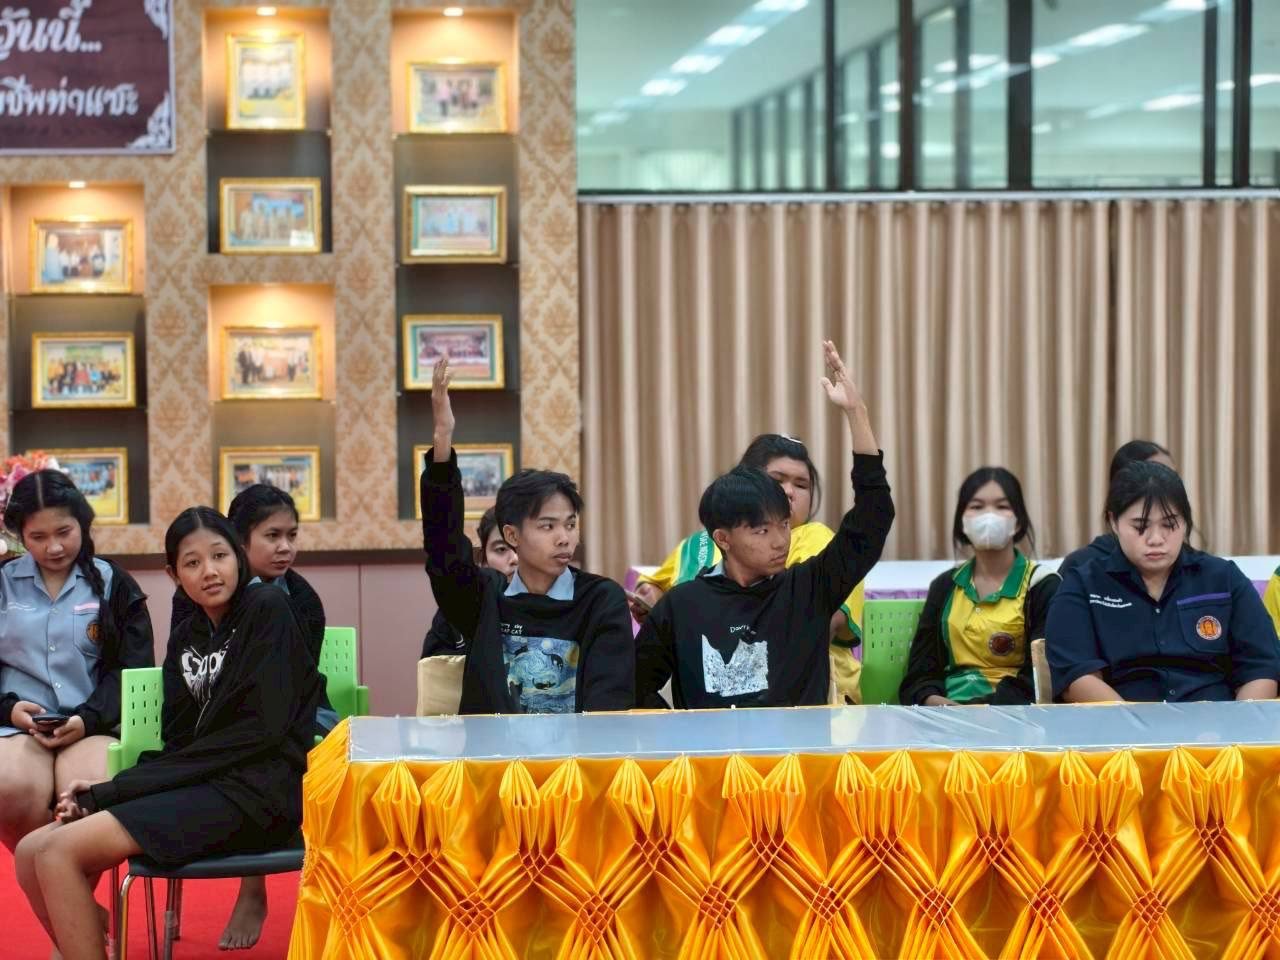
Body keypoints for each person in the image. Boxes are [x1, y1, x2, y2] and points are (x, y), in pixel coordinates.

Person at [15, 507, 323, 960]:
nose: (209, 571)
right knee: (29, 852)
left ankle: (84, 930)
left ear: (238, 558)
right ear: (173, 575)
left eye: (219, 556)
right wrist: (115, 788)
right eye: (192, 563)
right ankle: (83, 924)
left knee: (57, 854)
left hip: (260, 792)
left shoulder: (267, 608)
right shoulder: (189, 633)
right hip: (207, 783)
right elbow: (180, 743)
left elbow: (255, 735)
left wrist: (111, 792)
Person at [635, 341, 893, 709]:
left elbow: (873, 519)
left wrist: (857, 413)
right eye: (762, 530)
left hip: (799, 747)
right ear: (723, 538)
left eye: (784, 525)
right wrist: (676, 730)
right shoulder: (682, 606)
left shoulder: (808, 589)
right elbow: (632, 686)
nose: (780, 542)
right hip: (710, 748)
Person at [169, 484, 332, 950]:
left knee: (261, 754)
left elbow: (292, 688)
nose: (285, 548)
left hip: (298, 712)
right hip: (217, 711)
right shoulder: (197, 592)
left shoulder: (301, 598)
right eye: (272, 536)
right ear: (239, 543)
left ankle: (254, 886)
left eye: (291, 535)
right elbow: (188, 669)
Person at [423, 356, 633, 714]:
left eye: (570, 524)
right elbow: (444, 551)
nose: (564, 538)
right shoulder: (486, 599)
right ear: (512, 535)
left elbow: (609, 705)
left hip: (576, 751)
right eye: (547, 526)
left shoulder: (599, 600)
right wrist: (443, 442)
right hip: (492, 751)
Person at [631, 434, 868, 704]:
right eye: (778, 480)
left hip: (804, 694)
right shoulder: (700, 544)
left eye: (801, 484)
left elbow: (813, 625)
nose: (789, 492)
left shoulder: (820, 541)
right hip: (710, 698)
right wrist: (654, 602)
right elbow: (658, 592)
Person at [0, 471, 153, 858]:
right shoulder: (3, 582)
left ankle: (67, 887)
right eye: (38, 537)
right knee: (9, 786)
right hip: (14, 726)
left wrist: (87, 719)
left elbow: (132, 670)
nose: (54, 547)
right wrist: (9, 710)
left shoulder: (115, 583)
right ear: (19, 535)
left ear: (82, 524)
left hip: (93, 725)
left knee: (92, 790)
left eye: (64, 532)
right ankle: (53, 887)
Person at [1046, 461, 1280, 703]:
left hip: (1215, 721)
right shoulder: (1083, 585)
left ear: (1186, 522)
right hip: (1119, 720)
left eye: (1169, 525)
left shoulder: (1224, 579)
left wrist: (1241, 722)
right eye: (1140, 526)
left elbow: (1262, 666)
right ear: (1113, 522)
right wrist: (1131, 722)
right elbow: (1076, 675)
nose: (1156, 539)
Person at [899, 467, 1059, 706]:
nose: (989, 516)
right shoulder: (945, 586)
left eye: (1002, 506)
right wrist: (938, 704)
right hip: (947, 715)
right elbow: (920, 674)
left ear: (1018, 521)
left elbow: (1041, 678)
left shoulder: (1043, 585)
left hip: (1016, 715)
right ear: (962, 522)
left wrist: (980, 710)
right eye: (977, 506)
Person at [1058, 439, 1175, 577]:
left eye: (1174, 478)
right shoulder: (1081, 565)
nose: (1170, 488)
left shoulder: (1192, 564)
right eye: (1157, 478)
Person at [422, 507, 518, 658]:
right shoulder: (458, 608)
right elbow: (433, 667)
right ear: (484, 559)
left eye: (523, 547)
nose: (515, 559)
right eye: (501, 549)